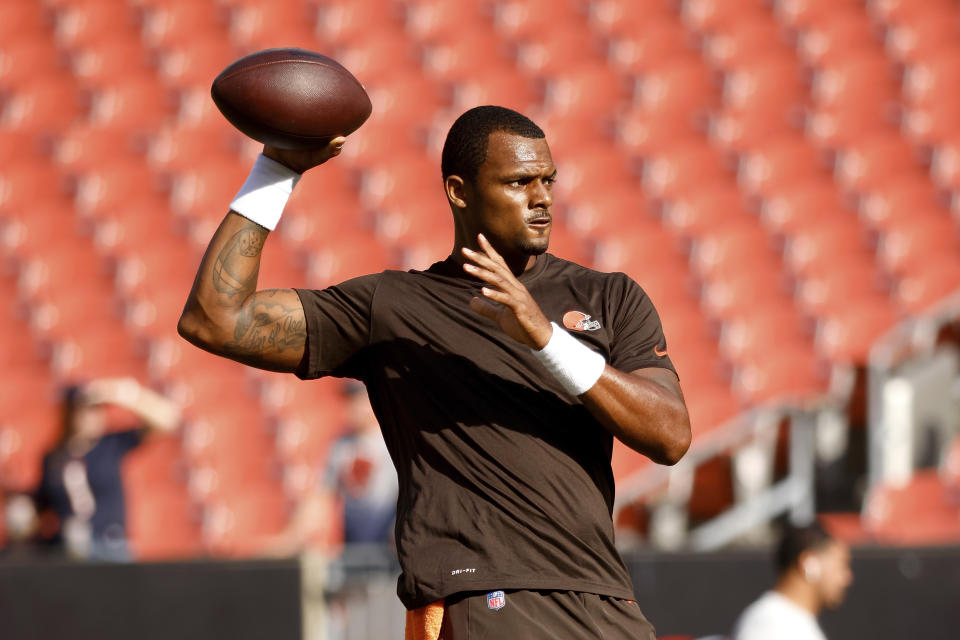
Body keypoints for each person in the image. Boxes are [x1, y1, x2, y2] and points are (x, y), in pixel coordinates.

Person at [178, 105, 691, 639]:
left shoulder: (610, 297)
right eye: (519, 182)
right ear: (458, 191)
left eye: (548, 181)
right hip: (484, 600)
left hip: (607, 603)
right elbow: (215, 319)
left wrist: (545, 338)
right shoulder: (394, 307)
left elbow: (671, 435)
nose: (541, 199)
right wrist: (276, 172)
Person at [35, 377, 181, 561]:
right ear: (71, 413)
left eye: (98, 410)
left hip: (110, 547)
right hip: (69, 550)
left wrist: (127, 395)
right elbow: (42, 504)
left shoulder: (110, 445)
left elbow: (168, 419)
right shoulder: (55, 458)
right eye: (87, 409)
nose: (94, 416)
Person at [263, 381, 398, 555]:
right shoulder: (341, 446)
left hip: (391, 552)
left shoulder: (395, 444)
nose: (353, 406)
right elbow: (321, 498)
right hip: (355, 551)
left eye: (359, 398)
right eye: (350, 399)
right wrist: (290, 539)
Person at [732, 521, 853, 640]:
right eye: (841, 564)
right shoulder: (772, 623)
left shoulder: (788, 621)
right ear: (808, 563)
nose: (847, 578)